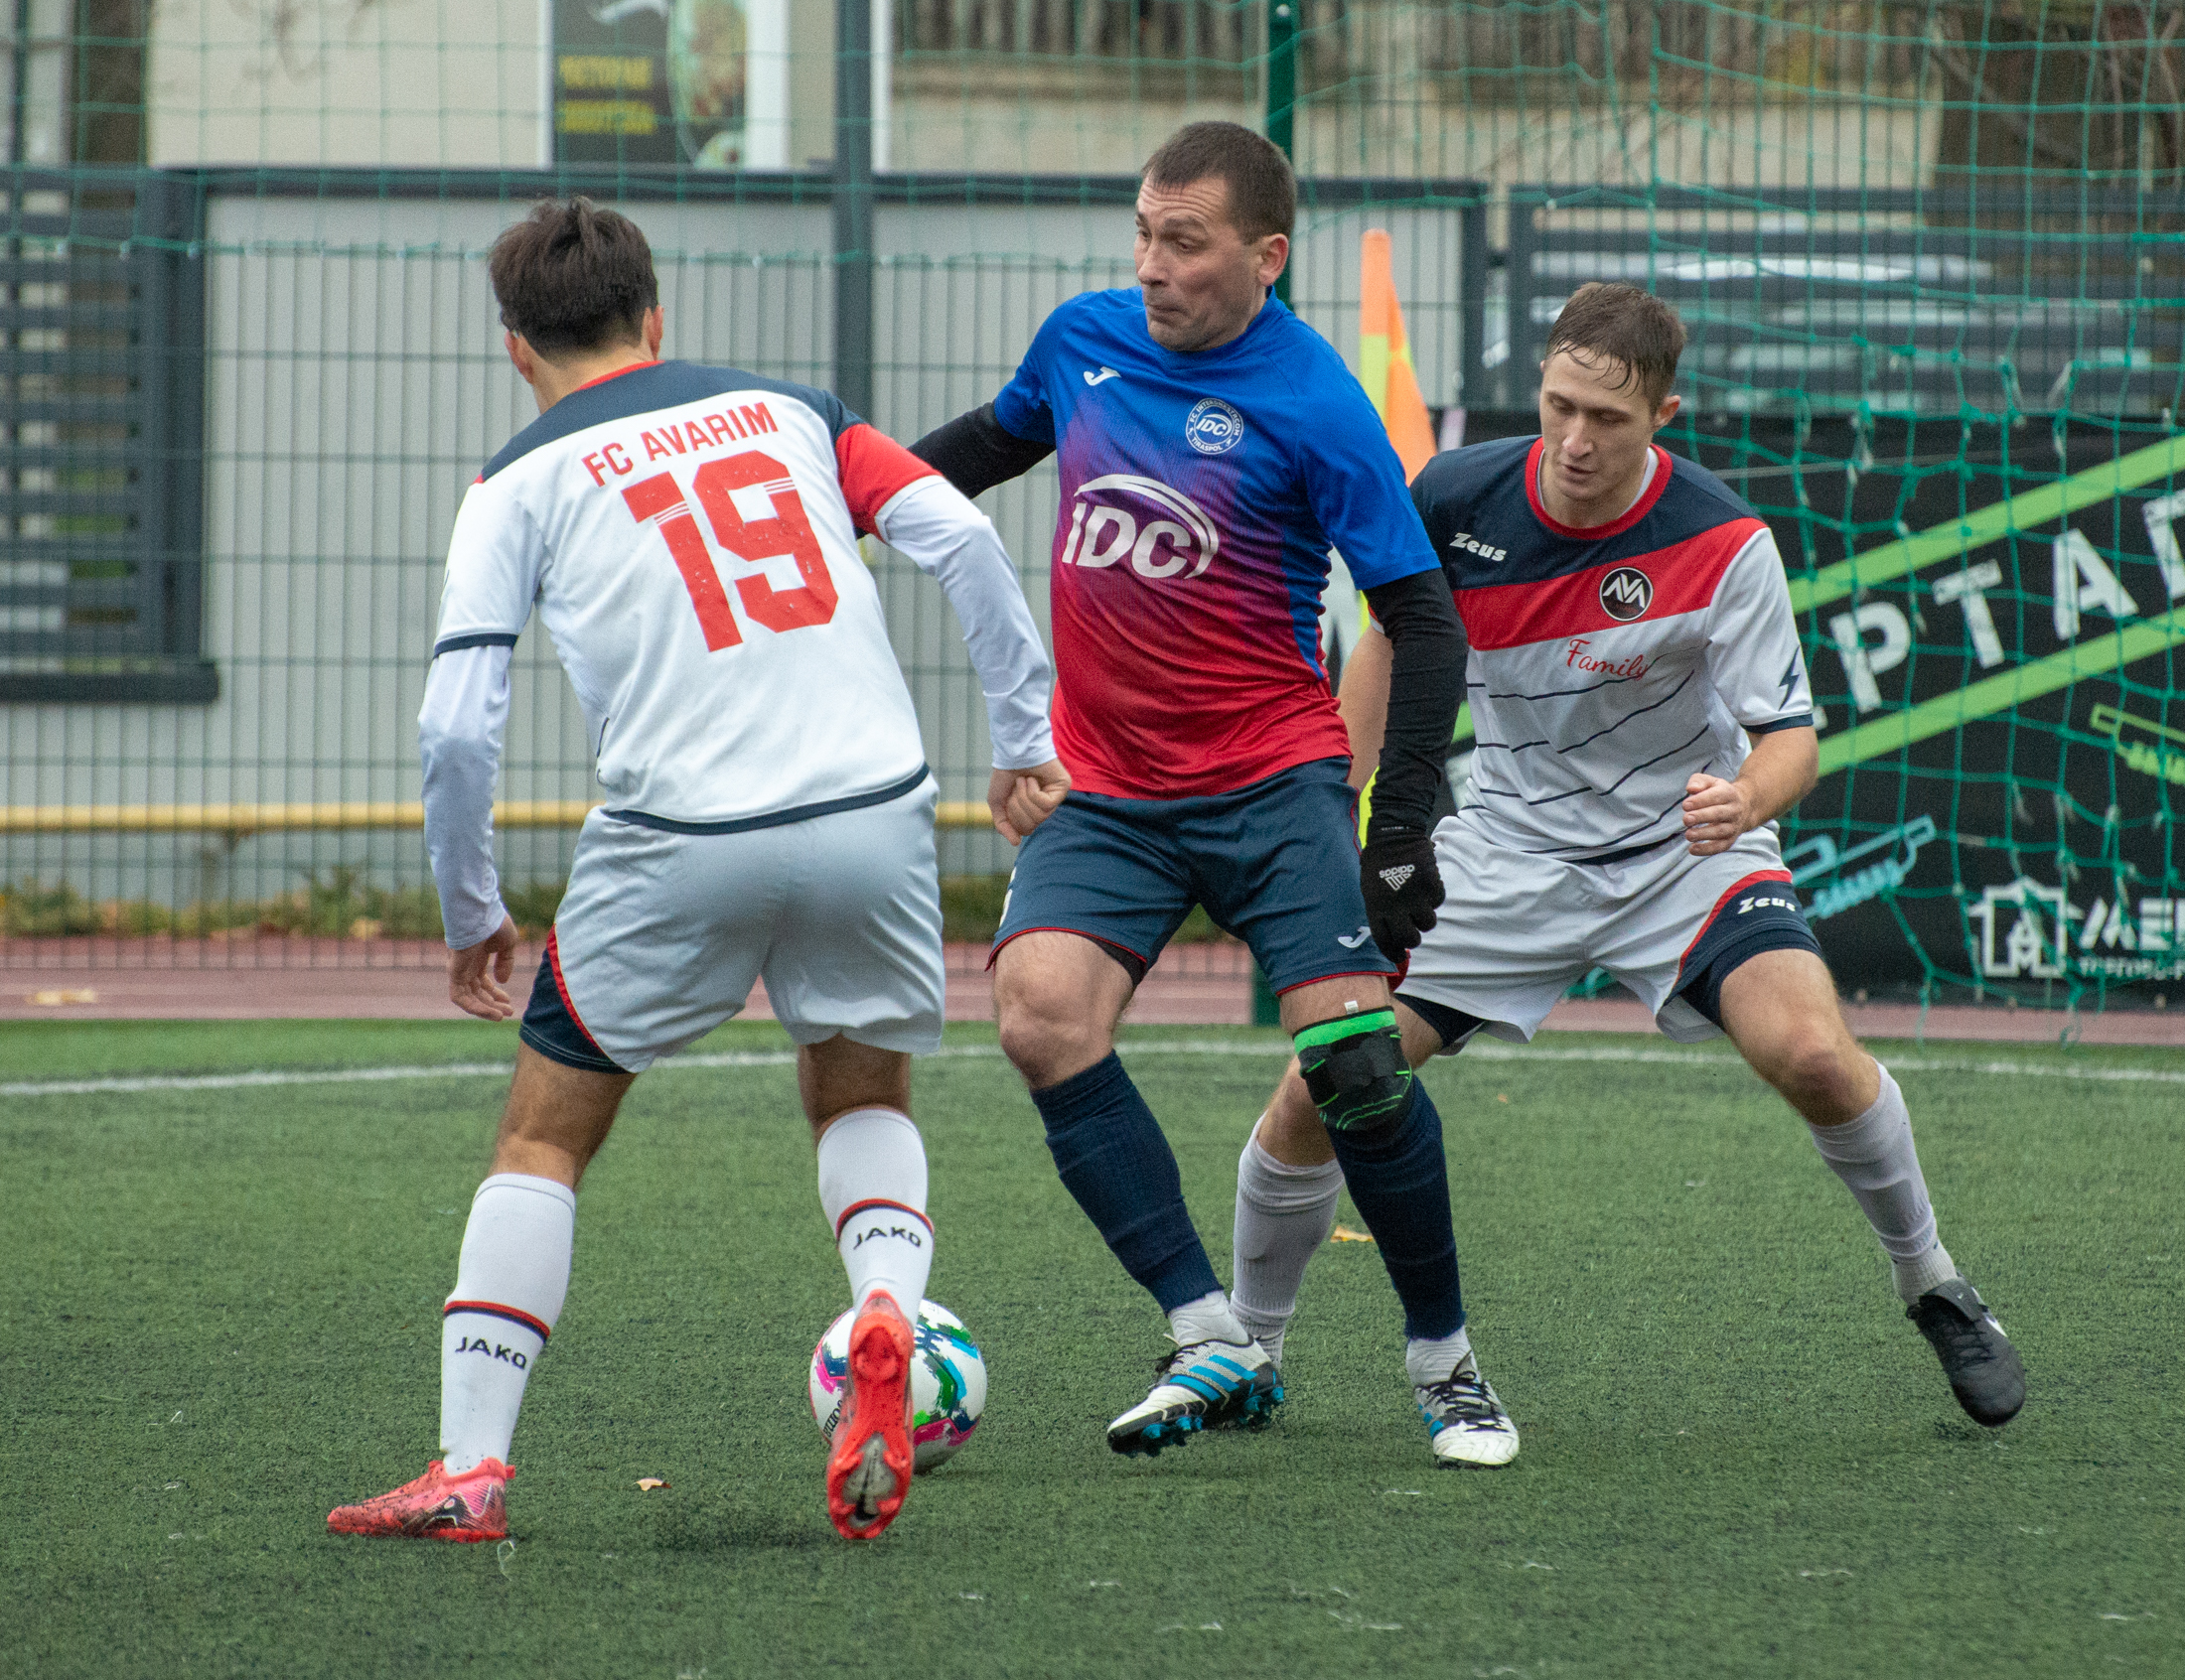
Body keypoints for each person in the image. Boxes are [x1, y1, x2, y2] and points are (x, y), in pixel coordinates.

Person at [325, 199, 1064, 1545]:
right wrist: (1022, 743)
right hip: (873, 810)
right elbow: (962, 537)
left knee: (543, 1138)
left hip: (682, 836)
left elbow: (456, 725)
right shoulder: (793, 412)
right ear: (654, 318)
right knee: (859, 1092)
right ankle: (886, 1308)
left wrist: (471, 909)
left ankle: (471, 1471)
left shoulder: (513, 483)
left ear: (514, 347)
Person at [1233, 282, 2025, 1445]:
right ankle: (1247, 1349)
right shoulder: (1452, 497)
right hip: (1503, 852)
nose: (1574, 439)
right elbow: (1389, 650)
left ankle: (1932, 1281)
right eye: (1558, 406)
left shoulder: (1723, 540)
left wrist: (1743, 799)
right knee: (1325, 1082)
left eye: (1606, 417)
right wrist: (1330, 806)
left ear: (1662, 415)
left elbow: (1790, 740)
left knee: (1812, 1054)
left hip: (1682, 855)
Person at [911, 122, 1517, 1466]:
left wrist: (1400, 828)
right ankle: (1209, 1334)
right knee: (1040, 1017)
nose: (1151, 265)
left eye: (1183, 242)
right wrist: (826, 496)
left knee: (1353, 1063)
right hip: (1106, 788)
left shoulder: (1317, 401)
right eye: (1142, 233)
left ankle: (1445, 1362)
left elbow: (1423, 618)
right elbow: (983, 447)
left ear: (1265, 255)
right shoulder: (1080, 341)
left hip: (1270, 779)